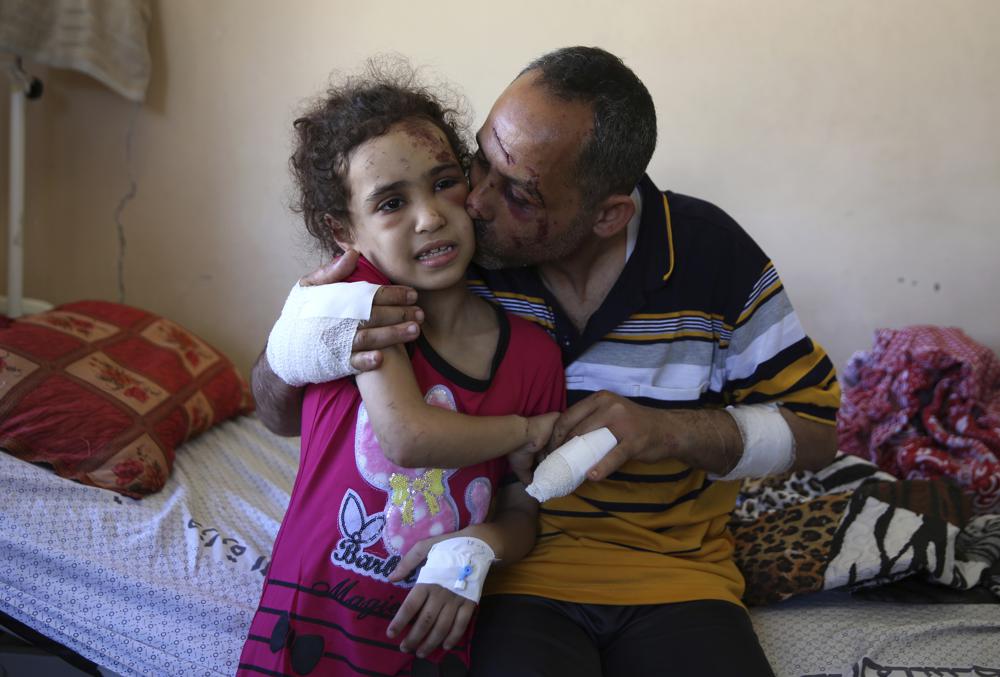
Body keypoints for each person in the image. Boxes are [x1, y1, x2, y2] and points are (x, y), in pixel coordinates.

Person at [253, 47, 841, 676]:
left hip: (676, 577)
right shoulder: (447, 254)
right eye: (479, 160)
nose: (472, 201)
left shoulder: (711, 256)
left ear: (607, 215)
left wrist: (667, 430)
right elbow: (289, 409)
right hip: (517, 578)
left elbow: (816, 433)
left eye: (518, 193)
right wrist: (296, 343)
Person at [237, 62, 565, 677]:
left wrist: (482, 545)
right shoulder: (357, 312)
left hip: (430, 635)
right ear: (344, 231)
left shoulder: (533, 355)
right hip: (310, 617)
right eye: (391, 202)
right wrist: (529, 429)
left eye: (444, 183)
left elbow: (523, 507)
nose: (430, 216)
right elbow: (407, 437)